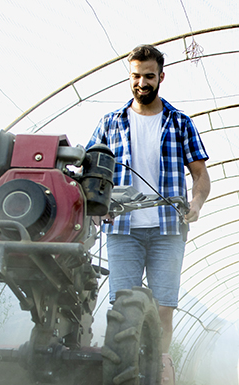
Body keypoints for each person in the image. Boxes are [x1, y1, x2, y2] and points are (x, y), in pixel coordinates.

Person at [87, 44, 210, 355]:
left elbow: (200, 176)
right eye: (136, 76)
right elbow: (90, 173)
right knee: (123, 308)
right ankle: (125, 373)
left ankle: (157, 376)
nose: (142, 83)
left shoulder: (179, 122)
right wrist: (96, 208)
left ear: (161, 77)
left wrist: (196, 204)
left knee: (163, 309)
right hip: (122, 228)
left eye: (149, 76)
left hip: (168, 230)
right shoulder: (109, 123)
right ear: (130, 76)